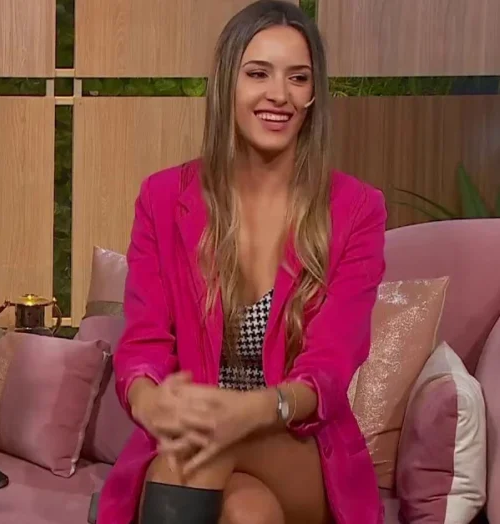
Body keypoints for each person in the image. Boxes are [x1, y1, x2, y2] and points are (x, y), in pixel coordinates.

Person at [96, 2, 385, 523]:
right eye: (258, 74)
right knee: (249, 512)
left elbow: (330, 366)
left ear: (313, 94)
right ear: (227, 84)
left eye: (298, 78)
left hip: (294, 440)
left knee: (198, 449)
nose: (279, 94)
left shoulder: (356, 208)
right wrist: (147, 400)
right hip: (198, 442)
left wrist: (251, 410)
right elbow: (143, 341)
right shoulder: (163, 198)